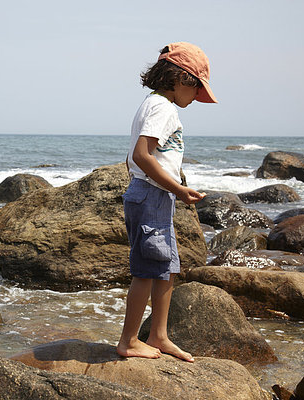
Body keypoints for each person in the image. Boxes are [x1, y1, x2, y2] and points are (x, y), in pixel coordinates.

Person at [116, 42, 217, 362]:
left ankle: (158, 335)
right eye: (197, 88)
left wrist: (171, 189)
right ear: (182, 79)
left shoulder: (153, 104)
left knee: (166, 267)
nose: (197, 97)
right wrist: (179, 189)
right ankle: (129, 341)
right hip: (150, 195)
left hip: (154, 194)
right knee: (146, 270)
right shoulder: (162, 108)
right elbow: (141, 155)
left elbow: (139, 155)